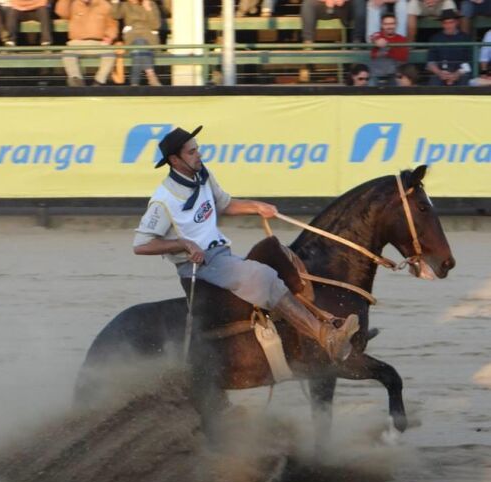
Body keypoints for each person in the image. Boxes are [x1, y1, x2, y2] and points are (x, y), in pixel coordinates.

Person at [133, 126, 360, 363]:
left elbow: (225, 204)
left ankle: (324, 321)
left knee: (283, 260)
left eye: (197, 149)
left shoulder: (202, 176)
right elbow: (141, 245)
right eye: (192, 152)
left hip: (222, 255)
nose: (199, 155)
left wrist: (256, 206)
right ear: (174, 160)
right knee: (263, 276)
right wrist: (183, 244)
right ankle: (326, 338)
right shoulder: (163, 200)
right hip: (199, 265)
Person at [55, 0, 118, 86]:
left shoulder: (104, 4)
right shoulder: (74, 4)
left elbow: (112, 24)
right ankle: (76, 80)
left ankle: (99, 81)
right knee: (67, 53)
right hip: (76, 43)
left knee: (110, 53)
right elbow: (61, 12)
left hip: (97, 43)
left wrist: (109, 36)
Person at [111, 0, 163, 86]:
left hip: (149, 39)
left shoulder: (151, 4)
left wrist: (148, 9)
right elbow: (115, 15)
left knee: (138, 50)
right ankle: (150, 74)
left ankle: (134, 84)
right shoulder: (125, 5)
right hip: (132, 38)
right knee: (139, 44)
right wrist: (115, 2)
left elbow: (156, 25)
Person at [426, 9, 473, 86]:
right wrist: (439, 73)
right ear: (442, 24)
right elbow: (430, 62)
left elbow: (469, 62)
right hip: (441, 73)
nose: (448, 26)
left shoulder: (465, 38)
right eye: (445, 23)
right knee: (433, 83)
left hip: (460, 73)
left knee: (464, 82)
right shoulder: (435, 38)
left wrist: (457, 74)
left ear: (456, 22)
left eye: (451, 22)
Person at [368, 14, 410, 85]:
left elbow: (403, 58)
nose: (389, 26)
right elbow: (373, 37)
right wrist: (376, 41)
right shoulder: (378, 35)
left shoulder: (401, 39)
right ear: (382, 25)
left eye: (392, 24)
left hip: (394, 75)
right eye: (386, 24)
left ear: (396, 25)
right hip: (376, 74)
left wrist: (387, 52)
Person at [300, 0, 367, 44]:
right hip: (326, 6)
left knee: (360, 2)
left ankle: (357, 42)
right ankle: (308, 43)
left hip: (347, 7)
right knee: (308, 3)